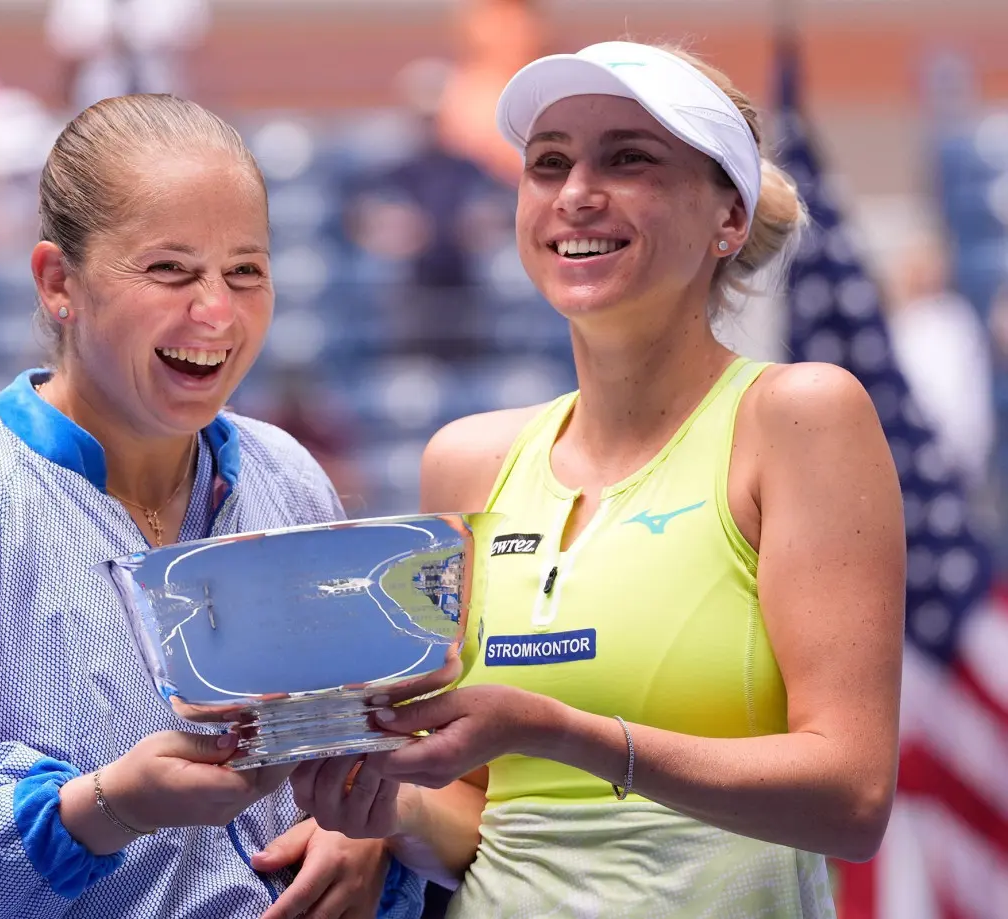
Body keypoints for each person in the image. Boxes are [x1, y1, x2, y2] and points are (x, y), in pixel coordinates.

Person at [290, 41, 906, 918]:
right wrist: (380, 811)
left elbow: (850, 796)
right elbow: (480, 814)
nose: (576, 190)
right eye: (548, 164)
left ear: (727, 219)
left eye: (628, 158)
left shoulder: (799, 415)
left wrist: (562, 731)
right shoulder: (465, 458)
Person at [0, 94, 423, 919]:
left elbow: (349, 754)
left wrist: (359, 828)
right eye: (170, 269)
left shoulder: (289, 478)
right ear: (58, 283)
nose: (216, 311)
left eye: (246, 270)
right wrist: (103, 808)